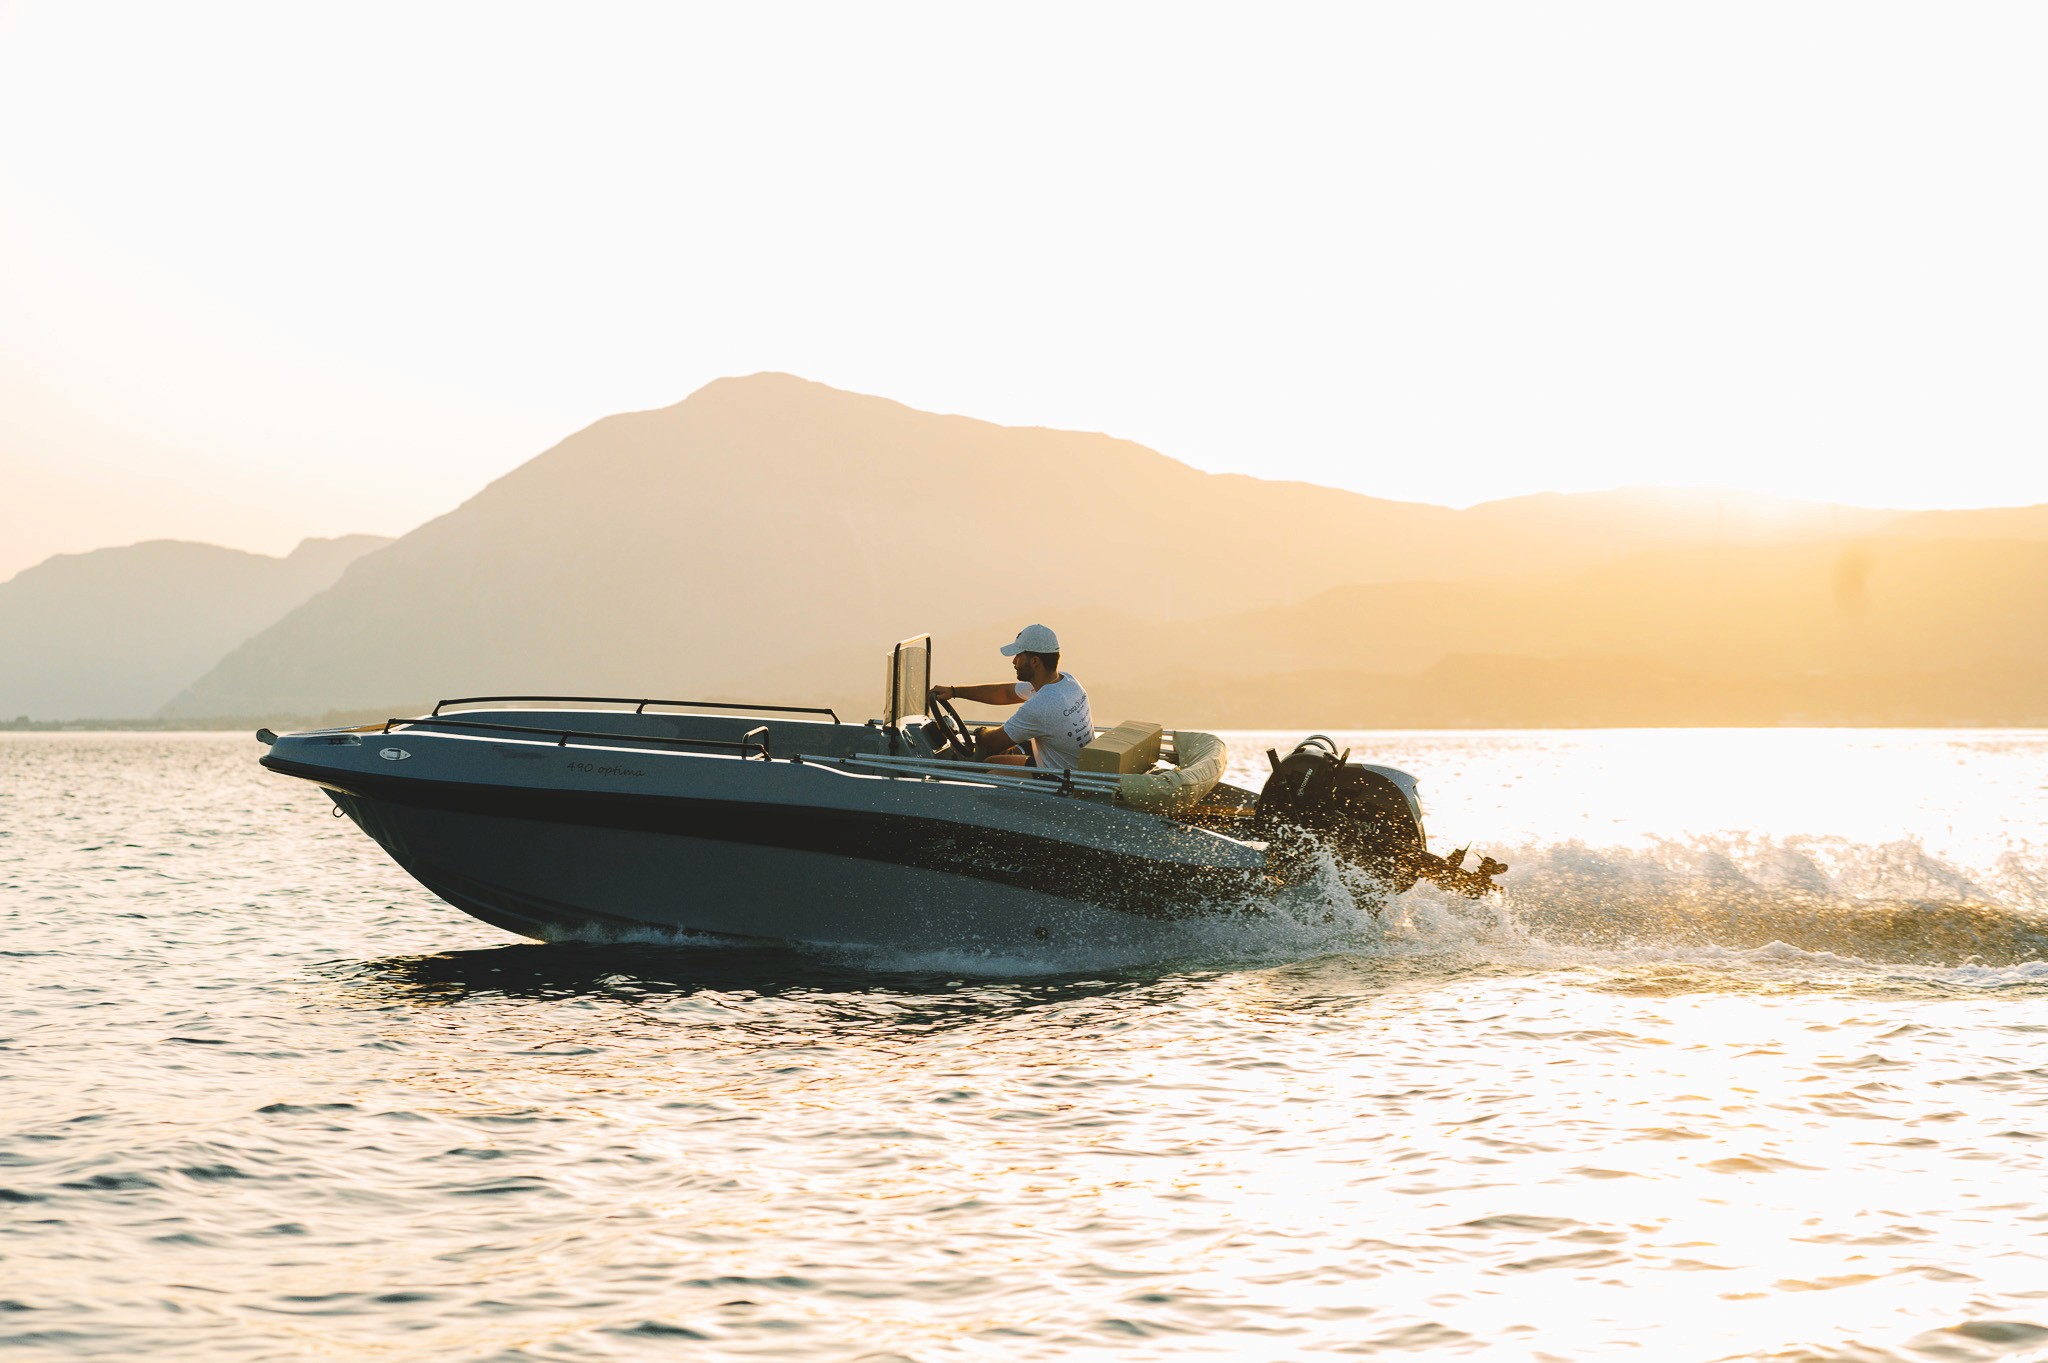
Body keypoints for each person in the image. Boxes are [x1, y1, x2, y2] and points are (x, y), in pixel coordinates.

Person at [928, 624, 1093, 770]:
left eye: (1019, 656)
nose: (1014, 661)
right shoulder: (1067, 682)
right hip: (1076, 767)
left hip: (1061, 779)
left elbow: (992, 742)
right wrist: (955, 691)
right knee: (1014, 746)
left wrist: (980, 732)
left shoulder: (1042, 704)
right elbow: (1006, 693)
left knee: (990, 764)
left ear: (1035, 661)